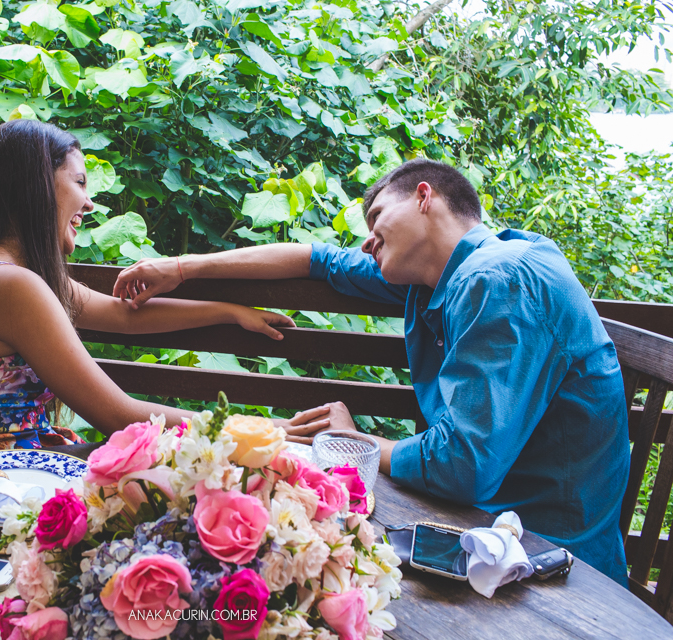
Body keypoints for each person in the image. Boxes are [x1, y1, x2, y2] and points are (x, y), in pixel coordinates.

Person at [112, 158, 630, 584]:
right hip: (484, 528)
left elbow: (461, 467)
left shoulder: (500, 280)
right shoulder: (433, 277)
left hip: (545, 554)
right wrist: (180, 268)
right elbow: (316, 260)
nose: (367, 241)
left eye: (378, 216)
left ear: (424, 197)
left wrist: (352, 441)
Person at [0, 119, 317, 460]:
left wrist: (228, 312)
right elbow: (118, 414)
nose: (88, 202)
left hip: (16, 460)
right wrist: (257, 429)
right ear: (35, 186)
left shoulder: (7, 270)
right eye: (80, 181)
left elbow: (124, 315)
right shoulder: (11, 284)